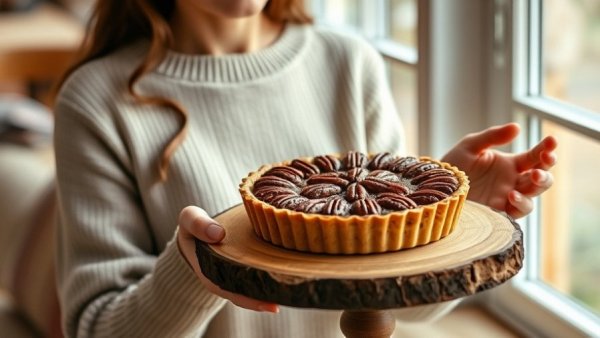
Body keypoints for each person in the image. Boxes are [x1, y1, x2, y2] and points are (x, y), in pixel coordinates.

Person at [53, 0, 557, 337]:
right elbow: (98, 327)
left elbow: (406, 308)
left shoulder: (348, 62)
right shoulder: (97, 101)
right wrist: (192, 272)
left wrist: (437, 230)